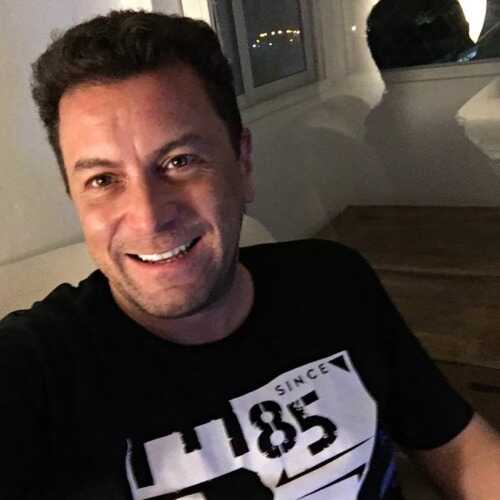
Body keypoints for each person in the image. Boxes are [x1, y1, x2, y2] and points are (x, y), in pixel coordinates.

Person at [1, 10, 499, 500]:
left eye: (179, 161)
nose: (148, 218)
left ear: (242, 163)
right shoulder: (40, 367)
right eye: (103, 180)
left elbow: (458, 447)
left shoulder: (332, 282)